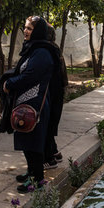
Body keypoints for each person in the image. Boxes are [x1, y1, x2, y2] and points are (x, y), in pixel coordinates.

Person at [1, 16, 63, 192]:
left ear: (38, 31)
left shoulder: (42, 52)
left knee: (34, 142)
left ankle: (37, 179)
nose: (26, 31)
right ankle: (31, 172)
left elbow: (30, 76)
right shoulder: (34, 49)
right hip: (26, 103)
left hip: (36, 105)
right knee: (26, 140)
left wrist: (10, 84)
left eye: (30, 28)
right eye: (25, 28)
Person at [43, 23, 68, 169]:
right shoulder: (54, 48)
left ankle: (49, 158)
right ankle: (54, 151)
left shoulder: (47, 50)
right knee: (50, 124)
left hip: (51, 92)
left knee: (47, 124)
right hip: (57, 91)